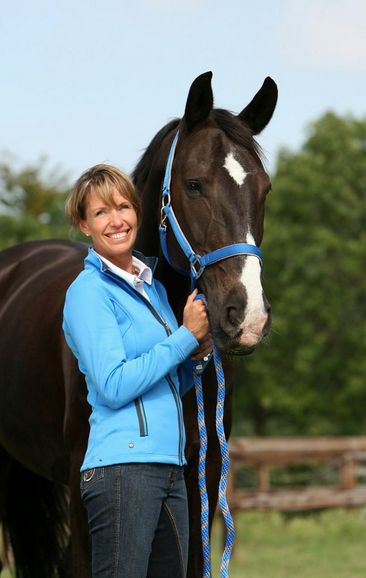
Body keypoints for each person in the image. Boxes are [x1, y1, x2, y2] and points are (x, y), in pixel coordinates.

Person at [62, 164, 211, 578]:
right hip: (121, 471)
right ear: (84, 224)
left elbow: (162, 381)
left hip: (169, 466)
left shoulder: (153, 288)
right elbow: (113, 384)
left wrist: (196, 355)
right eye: (101, 213)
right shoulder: (88, 293)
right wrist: (184, 337)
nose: (116, 221)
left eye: (123, 207)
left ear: (138, 213)